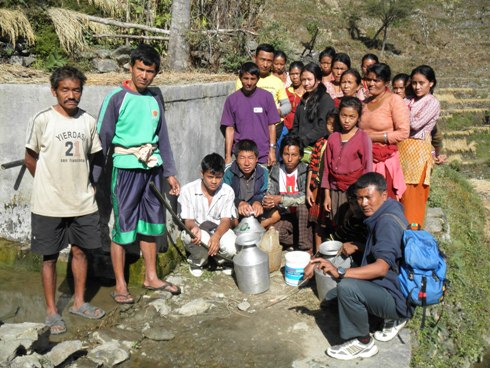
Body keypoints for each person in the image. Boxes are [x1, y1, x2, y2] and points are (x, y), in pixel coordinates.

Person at [96, 44, 181, 304]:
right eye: (140, 69)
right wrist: (94, 177)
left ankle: (151, 276)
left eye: (150, 71)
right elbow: (102, 140)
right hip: (125, 169)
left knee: (152, 223)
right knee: (123, 226)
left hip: (152, 168)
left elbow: (162, 137)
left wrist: (169, 171)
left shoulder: (155, 97)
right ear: (131, 67)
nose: (144, 75)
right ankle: (121, 284)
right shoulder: (116, 98)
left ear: (156, 73)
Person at [25, 66, 105, 335]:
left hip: (82, 202)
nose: (71, 95)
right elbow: (30, 158)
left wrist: (91, 185)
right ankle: (51, 310)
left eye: (76, 90)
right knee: (49, 257)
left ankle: (79, 302)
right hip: (48, 204)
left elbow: (97, 158)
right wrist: (47, 183)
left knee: (81, 251)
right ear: (54, 91)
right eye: (65, 90)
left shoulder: (88, 122)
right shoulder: (43, 120)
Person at [305, 173, 413, 360]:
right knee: (349, 280)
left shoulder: (386, 223)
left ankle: (363, 342)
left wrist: (340, 271)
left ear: (383, 195)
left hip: (397, 298)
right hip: (401, 287)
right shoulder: (391, 208)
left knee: (347, 287)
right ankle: (385, 315)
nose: (363, 203)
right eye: (360, 198)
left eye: (368, 197)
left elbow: (381, 268)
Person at [179, 153, 237, 277]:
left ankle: (221, 261)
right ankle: (197, 262)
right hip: (199, 229)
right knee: (199, 238)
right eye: (210, 177)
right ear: (202, 174)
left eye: (218, 177)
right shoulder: (188, 190)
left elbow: (226, 220)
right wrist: (193, 228)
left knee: (232, 245)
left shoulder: (227, 191)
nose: (214, 181)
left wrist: (216, 236)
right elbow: (188, 220)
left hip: (217, 229)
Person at [359, 63, 409, 200]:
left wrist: (374, 138)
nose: (371, 83)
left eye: (376, 80)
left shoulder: (394, 101)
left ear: (386, 82)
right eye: (369, 79)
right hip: (364, 158)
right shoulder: (363, 103)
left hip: (383, 161)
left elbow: (403, 133)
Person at [398, 65, 441, 227]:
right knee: (400, 198)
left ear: (431, 83)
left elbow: (414, 123)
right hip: (401, 152)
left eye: (421, 83)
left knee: (413, 202)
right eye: (414, 83)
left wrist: (400, 114)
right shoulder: (408, 100)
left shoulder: (432, 103)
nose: (417, 87)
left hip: (418, 156)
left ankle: (413, 242)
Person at [321, 97, 373, 226]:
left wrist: (364, 195)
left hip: (354, 190)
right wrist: (327, 196)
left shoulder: (363, 137)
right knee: (335, 223)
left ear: (358, 118)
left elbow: (368, 167)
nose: (347, 120)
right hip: (335, 190)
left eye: (352, 117)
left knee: (353, 223)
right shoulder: (333, 138)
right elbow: (327, 168)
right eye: (343, 115)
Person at [221, 62, 280, 166]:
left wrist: (272, 150)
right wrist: (228, 156)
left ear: (257, 79)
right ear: (240, 78)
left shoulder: (266, 97)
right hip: (241, 155)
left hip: (263, 155)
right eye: (245, 78)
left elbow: (272, 126)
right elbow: (230, 129)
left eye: (252, 79)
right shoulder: (232, 100)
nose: (249, 82)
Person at [262, 135, 312, 252]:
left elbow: (304, 196)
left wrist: (281, 199)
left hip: (302, 215)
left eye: (294, 155)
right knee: (275, 232)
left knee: (302, 207)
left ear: (300, 156)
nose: (289, 159)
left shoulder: (304, 170)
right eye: (286, 154)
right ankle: (302, 239)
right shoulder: (276, 169)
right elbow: (271, 191)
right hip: (285, 215)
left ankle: (304, 247)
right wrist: (268, 201)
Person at [235, 43, 292, 145]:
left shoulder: (277, 82)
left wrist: (275, 112)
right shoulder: (245, 80)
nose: (265, 64)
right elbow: (239, 104)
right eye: (262, 59)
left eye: (269, 61)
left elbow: (287, 106)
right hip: (250, 128)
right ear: (255, 58)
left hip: (274, 129)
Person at [306, 110, 337, 249]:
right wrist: (308, 189)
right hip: (317, 186)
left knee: (331, 220)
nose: (332, 127)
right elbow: (312, 166)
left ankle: (332, 250)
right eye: (329, 124)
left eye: (334, 125)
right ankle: (317, 250)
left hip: (332, 187)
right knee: (317, 220)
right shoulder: (320, 143)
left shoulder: (340, 143)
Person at [290, 62, 334, 158]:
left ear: (318, 80)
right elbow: (296, 125)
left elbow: (323, 127)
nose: (306, 83)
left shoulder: (325, 100)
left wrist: (303, 141)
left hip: (315, 150)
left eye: (309, 79)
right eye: (303, 80)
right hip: (300, 148)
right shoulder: (304, 99)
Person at [223, 139, 268, 224]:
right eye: (242, 158)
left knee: (276, 215)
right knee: (231, 218)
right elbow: (225, 196)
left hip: (255, 211)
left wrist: (258, 202)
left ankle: (256, 229)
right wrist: (239, 203)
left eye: (251, 158)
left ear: (256, 159)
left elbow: (265, 193)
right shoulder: (229, 172)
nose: (247, 163)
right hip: (236, 210)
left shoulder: (263, 172)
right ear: (236, 159)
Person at [283, 61, 305, 131]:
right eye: (292, 74)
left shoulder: (308, 93)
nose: (295, 77)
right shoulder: (285, 91)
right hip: (285, 127)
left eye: (297, 74)